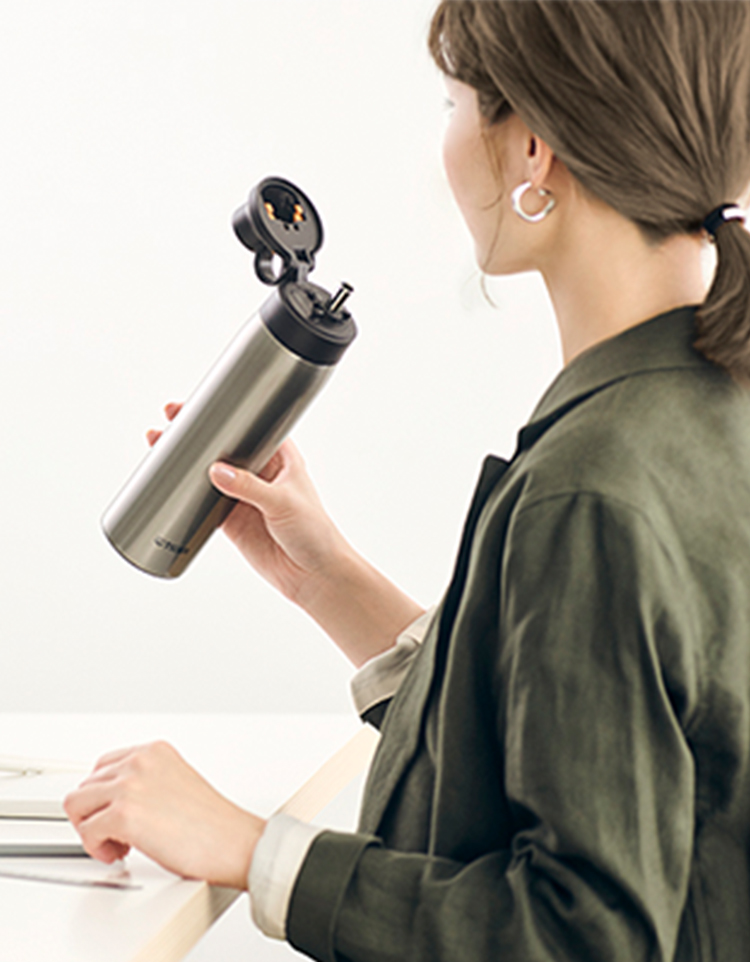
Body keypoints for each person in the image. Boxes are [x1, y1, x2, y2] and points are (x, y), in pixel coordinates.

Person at [65, 2, 750, 959]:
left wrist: (253, 849)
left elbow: (579, 935)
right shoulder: (703, 404)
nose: (446, 146)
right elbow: (593, 731)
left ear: (534, 150)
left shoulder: (593, 485)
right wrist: (326, 578)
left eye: (453, 103)